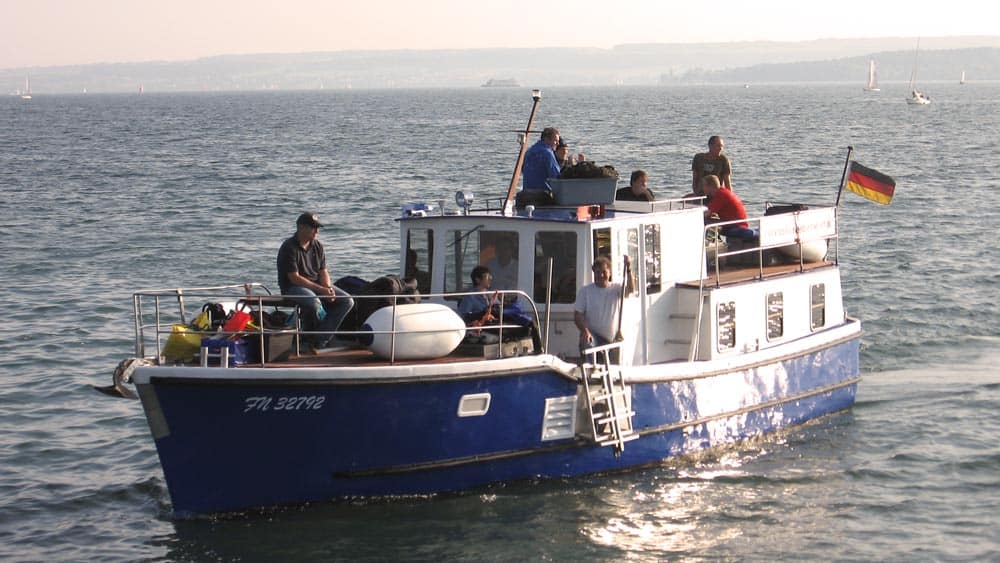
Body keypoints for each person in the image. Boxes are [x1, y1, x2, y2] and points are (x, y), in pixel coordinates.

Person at [276, 212, 355, 350]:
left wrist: (328, 288)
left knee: (347, 301)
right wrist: (320, 290)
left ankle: (320, 339)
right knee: (313, 302)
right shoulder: (289, 247)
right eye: (313, 227)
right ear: (301, 227)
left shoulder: (317, 246)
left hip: (316, 285)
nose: (317, 231)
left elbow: (323, 270)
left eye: (317, 227)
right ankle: (310, 338)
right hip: (293, 287)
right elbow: (294, 278)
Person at [574, 255, 635, 352]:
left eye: (604, 272)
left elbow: (631, 289)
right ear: (594, 273)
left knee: (614, 364)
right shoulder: (585, 291)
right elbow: (577, 316)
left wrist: (628, 268)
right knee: (587, 343)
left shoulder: (617, 288)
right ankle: (589, 366)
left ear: (609, 273)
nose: (601, 275)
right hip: (593, 336)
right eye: (598, 272)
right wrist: (585, 332)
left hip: (612, 338)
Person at [702, 175, 756, 240]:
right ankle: (714, 241)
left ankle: (709, 243)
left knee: (705, 222)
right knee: (709, 221)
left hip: (737, 226)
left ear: (710, 186)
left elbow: (706, 214)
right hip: (735, 223)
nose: (702, 188)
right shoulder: (722, 192)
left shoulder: (720, 195)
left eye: (704, 185)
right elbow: (711, 212)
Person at [522, 126, 562, 191]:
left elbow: (523, 170)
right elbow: (556, 176)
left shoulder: (529, 151)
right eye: (555, 141)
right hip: (541, 194)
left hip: (526, 192)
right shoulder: (547, 153)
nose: (558, 143)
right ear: (546, 139)